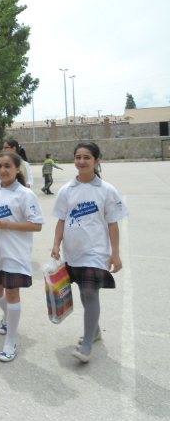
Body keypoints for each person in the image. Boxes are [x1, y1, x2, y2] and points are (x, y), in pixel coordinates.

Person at [51, 142, 129, 363]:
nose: (82, 161)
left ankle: (86, 344)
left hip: (96, 252)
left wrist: (115, 253)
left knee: (90, 292)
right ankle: (94, 331)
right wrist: (56, 244)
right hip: (72, 253)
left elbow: (113, 224)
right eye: (78, 157)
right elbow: (61, 220)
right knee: (85, 293)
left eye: (87, 157)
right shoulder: (67, 190)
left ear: (97, 160)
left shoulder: (107, 190)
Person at [0, 152, 45, 362]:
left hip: (15, 253)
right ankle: (9, 315)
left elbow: (37, 224)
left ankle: (10, 342)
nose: (3, 170)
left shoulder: (25, 194)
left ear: (17, 169)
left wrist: (7, 225)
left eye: (7, 166)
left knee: (12, 294)